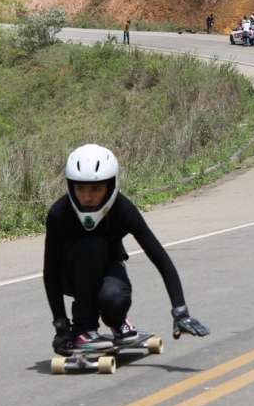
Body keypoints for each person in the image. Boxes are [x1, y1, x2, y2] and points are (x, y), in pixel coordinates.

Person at [44, 144, 210, 355]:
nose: (87, 197)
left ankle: (118, 322)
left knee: (114, 299)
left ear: (110, 186)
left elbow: (160, 258)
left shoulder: (123, 209)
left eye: (96, 189)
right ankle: (83, 329)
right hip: (72, 276)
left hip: (109, 271)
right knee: (90, 246)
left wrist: (181, 312)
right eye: (80, 188)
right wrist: (61, 326)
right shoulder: (59, 214)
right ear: (70, 186)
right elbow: (50, 272)